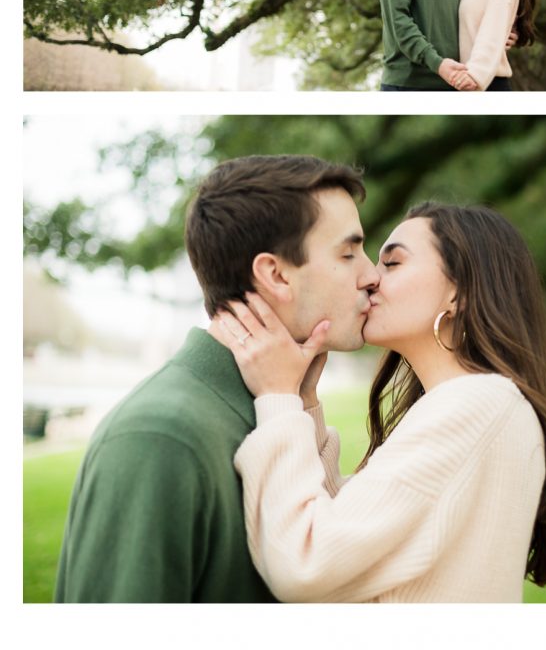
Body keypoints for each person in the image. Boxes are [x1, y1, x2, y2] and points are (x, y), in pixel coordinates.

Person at [217, 201, 546, 603]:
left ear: (458, 289)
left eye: (392, 264)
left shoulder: (474, 405)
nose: (371, 277)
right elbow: (359, 530)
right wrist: (303, 402)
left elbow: (306, 563)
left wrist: (277, 399)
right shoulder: (481, 404)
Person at [54, 154, 378, 602]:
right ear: (275, 274)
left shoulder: (280, 410)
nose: (372, 274)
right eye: (348, 253)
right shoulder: (160, 437)